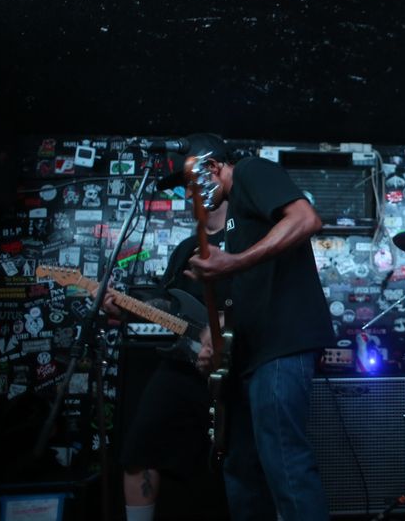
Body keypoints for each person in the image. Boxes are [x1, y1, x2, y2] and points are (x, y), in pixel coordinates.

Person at [182, 133, 334, 521]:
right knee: (242, 470)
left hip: (282, 343)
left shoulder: (251, 171)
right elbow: (249, 290)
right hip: (250, 355)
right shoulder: (236, 215)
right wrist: (214, 337)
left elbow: (306, 219)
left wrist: (233, 263)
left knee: (285, 463)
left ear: (212, 166)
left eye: (192, 184)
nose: (189, 195)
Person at [107, 151, 231, 521]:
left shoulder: (247, 237)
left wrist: (222, 326)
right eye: (183, 188)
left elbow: (264, 298)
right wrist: (125, 308)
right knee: (137, 453)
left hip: (235, 368)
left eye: (192, 183)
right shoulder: (184, 248)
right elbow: (170, 304)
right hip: (184, 364)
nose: (188, 193)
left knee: (240, 463)